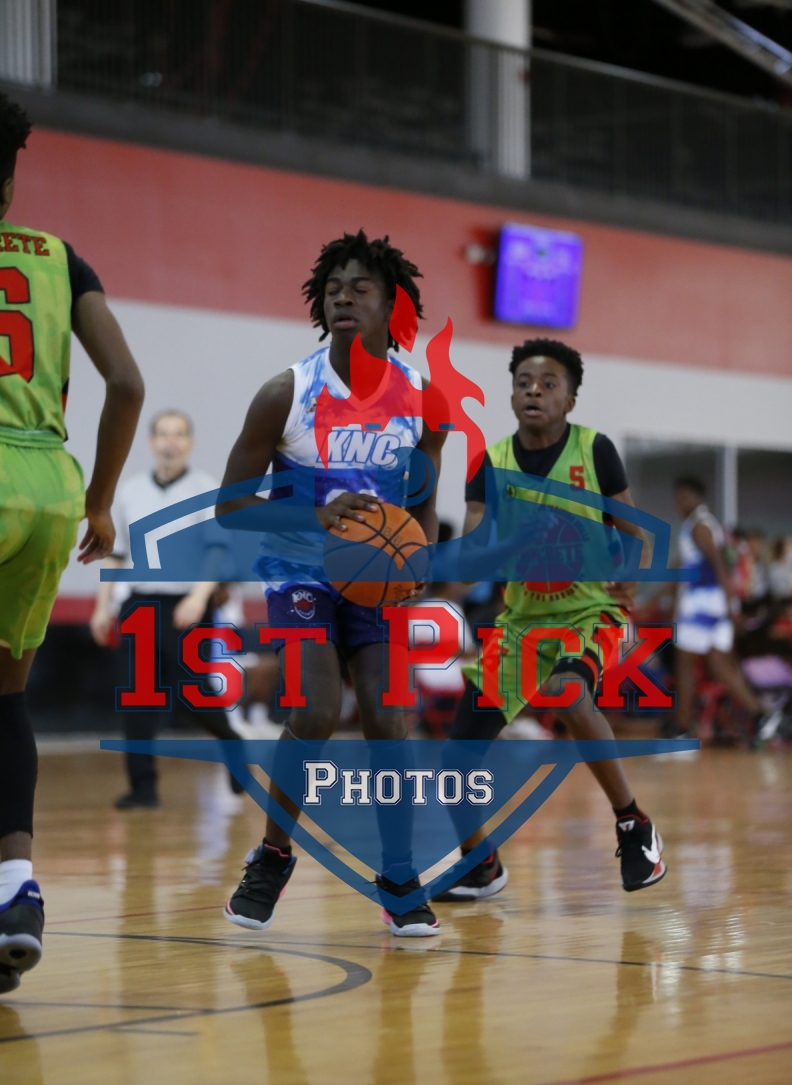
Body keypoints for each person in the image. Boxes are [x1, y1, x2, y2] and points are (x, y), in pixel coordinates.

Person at [216, 231, 456, 937]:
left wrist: (420, 559)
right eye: (333, 290)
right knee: (317, 709)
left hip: (375, 580)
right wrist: (312, 514)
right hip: (298, 570)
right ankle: (271, 856)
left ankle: (399, 874)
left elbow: (422, 498)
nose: (343, 298)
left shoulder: (423, 399)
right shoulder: (287, 392)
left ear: (392, 304)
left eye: (360, 288)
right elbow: (231, 505)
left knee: (387, 715)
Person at [0, 94, 145, 993]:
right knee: (6, 700)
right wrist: (97, 504)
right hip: (48, 490)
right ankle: (15, 890)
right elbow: (125, 383)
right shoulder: (58, 258)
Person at [436, 338, 668, 898]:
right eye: (523, 383)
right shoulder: (489, 463)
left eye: (548, 384)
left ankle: (633, 823)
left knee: (568, 692)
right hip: (521, 624)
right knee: (454, 759)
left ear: (570, 399)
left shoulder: (595, 450)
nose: (533, 392)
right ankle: (480, 865)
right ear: (511, 394)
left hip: (589, 611)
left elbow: (638, 533)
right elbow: (470, 563)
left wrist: (633, 574)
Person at [90, 409, 245, 808]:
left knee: (193, 694)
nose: (170, 442)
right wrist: (102, 607)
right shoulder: (130, 491)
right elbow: (116, 554)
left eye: (178, 434)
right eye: (163, 434)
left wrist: (198, 597)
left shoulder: (205, 489)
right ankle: (143, 789)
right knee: (138, 698)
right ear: (151, 442)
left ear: (189, 443)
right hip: (140, 604)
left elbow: (217, 549)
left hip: (187, 604)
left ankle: (233, 745)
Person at [671, 476, 764, 737]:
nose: (678, 504)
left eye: (683, 498)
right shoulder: (703, 524)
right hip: (714, 604)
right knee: (720, 665)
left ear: (696, 497)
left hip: (701, 605)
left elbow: (719, 565)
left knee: (684, 666)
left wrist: (731, 605)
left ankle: (682, 726)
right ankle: (760, 715)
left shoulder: (700, 526)